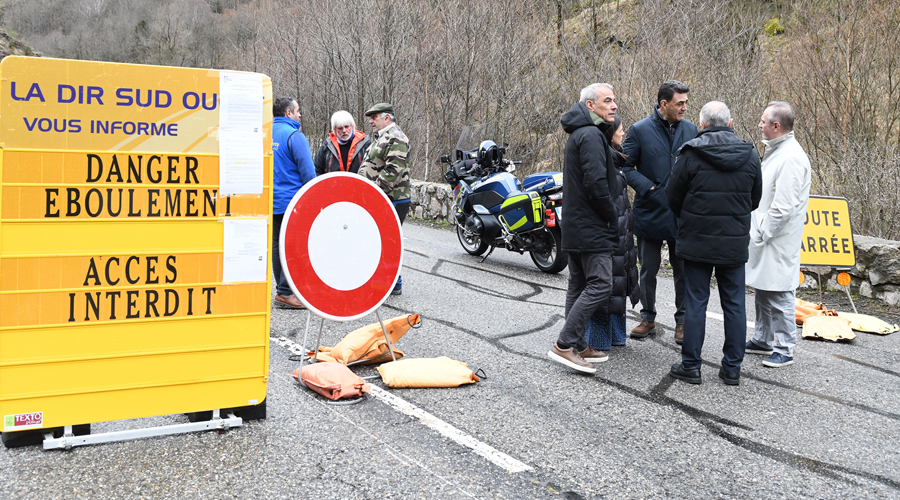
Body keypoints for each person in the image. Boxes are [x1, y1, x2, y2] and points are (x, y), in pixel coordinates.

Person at [665, 101, 762, 385]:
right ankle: (732, 368)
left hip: (697, 241)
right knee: (734, 304)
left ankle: (691, 365)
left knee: (696, 302)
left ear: (702, 125)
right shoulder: (750, 155)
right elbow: (754, 200)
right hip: (733, 243)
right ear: (730, 124)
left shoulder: (691, 153)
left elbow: (673, 196)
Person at [547, 83, 620, 374]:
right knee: (601, 283)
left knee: (578, 284)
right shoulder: (589, 134)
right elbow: (595, 182)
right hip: (591, 224)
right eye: (607, 101)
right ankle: (565, 344)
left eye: (614, 100)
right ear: (590, 106)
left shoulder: (583, 131)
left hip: (577, 223)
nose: (614, 105)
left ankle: (575, 343)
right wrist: (612, 215)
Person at [622, 80, 698, 343]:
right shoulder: (639, 130)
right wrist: (650, 189)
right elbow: (626, 168)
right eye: (680, 103)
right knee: (648, 271)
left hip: (682, 215)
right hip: (650, 212)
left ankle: (683, 322)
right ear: (664, 104)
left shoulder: (691, 130)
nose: (685, 107)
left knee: (683, 272)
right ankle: (648, 318)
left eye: (687, 102)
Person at [745, 101, 812, 368]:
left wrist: (763, 232)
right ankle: (762, 339)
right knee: (763, 288)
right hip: (767, 234)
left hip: (776, 237)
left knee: (780, 291)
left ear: (776, 125)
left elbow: (784, 207)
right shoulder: (778, 152)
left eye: (763, 121)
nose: (759, 125)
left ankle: (785, 347)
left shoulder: (791, 158)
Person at [584, 116, 640, 352]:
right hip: (610, 231)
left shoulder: (616, 159)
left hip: (621, 230)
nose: (624, 132)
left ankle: (615, 336)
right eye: (620, 129)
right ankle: (597, 339)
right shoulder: (606, 160)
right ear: (609, 133)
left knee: (619, 283)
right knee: (607, 286)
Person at [359, 102, 410, 295]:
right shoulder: (382, 137)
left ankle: (393, 283)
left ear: (387, 118)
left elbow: (393, 171)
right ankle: (384, 281)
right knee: (379, 240)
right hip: (382, 197)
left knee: (387, 241)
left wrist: (374, 193)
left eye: (374, 117)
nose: (371, 121)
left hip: (393, 198)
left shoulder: (397, 137)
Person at [272, 96, 316, 308]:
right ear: (288, 113)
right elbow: (308, 171)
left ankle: (282, 290)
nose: (300, 114)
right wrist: (314, 199)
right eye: (297, 110)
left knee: (276, 245)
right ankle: (286, 292)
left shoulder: (264, 134)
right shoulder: (294, 135)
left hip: (270, 202)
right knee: (292, 246)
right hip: (292, 202)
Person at [314, 110, 371, 175]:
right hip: (333, 184)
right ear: (334, 129)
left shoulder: (365, 144)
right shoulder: (327, 147)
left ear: (352, 126)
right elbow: (316, 170)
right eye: (340, 128)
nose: (344, 131)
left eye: (346, 127)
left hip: (359, 184)